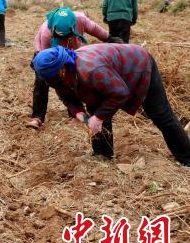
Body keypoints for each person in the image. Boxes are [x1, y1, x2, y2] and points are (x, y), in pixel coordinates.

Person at [31, 44, 190, 165]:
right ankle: (103, 156)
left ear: (61, 70)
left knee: (160, 114)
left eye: (48, 78)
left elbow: (120, 93)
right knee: (96, 110)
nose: (47, 82)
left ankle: (186, 157)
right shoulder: (58, 75)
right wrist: (80, 113)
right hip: (112, 74)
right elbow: (65, 95)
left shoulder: (91, 71)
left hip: (139, 65)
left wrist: (98, 117)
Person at [27, 7, 122, 129]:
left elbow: (96, 30)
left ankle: (76, 114)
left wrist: (110, 39)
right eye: (61, 37)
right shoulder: (47, 33)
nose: (64, 40)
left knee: (74, 76)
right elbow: (46, 62)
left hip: (72, 50)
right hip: (46, 55)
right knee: (43, 81)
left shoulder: (80, 19)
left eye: (67, 36)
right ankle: (37, 117)